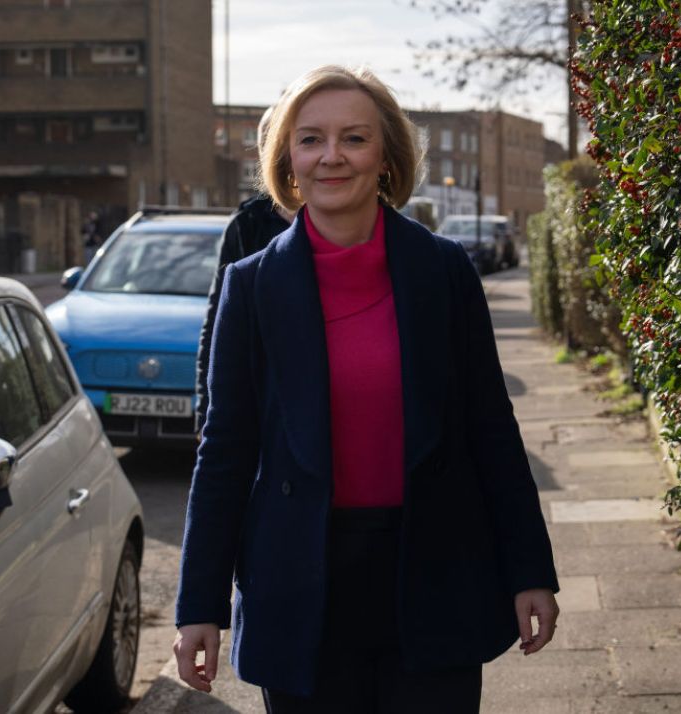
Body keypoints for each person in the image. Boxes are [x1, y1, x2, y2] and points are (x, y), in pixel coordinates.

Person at [174, 65, 559, 713]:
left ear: (385, 158)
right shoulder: (252, 285)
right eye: (311, 139)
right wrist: (199, 605)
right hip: (299, 584)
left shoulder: (444, 271)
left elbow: (491, 428)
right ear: (288, 160)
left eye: (354, 138)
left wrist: (529, 571)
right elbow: (225, 454)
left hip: (434, 573)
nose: (332, 156)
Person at [195, 107, 294, 434]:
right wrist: (205, 410)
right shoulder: (246, 225)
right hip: (258, 402)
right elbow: (217, 322)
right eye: (266, 142)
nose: (274, 151)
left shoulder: (335, 221)